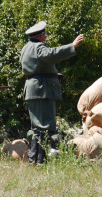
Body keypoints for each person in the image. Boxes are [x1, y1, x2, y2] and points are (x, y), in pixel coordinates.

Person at [20, 22, 84, 164]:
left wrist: (53, 74)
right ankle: (40, 161)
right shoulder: (38, 47)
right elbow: (50, 55)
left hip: (33, 89)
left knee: (37, 127)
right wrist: (72, 46)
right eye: (45, 34)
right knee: (44, 126)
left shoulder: (26, 48)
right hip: (42, 90)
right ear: (41, 36)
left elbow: (38, 66)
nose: (46, 36)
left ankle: (35, 160)